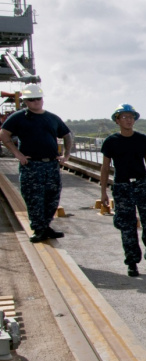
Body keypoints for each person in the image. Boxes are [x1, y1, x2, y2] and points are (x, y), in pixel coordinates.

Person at [0, 84, 73, 243]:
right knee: (34, 199)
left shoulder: (52, 118)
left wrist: (66, 155)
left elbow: (67, 135)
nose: (35, 102)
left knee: (52, 198)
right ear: (26, 101)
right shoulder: (19, 117)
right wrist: (17, 154)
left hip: (51, 165)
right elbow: (4, 135)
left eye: (38, 98)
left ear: (42, 99)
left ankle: (45, 226)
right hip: (32, 166)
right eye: (31, 100)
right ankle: (38, 229)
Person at [99, 104, 146, 277]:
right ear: (117, 120)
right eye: (125, 117)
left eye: (131, 117)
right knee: (127, 226)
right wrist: (103, 192)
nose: (129, 120)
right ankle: (132, 262)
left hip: (142, 186)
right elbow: (105, 168)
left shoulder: (142, 139)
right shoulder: (111, 141)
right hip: (122, 187)